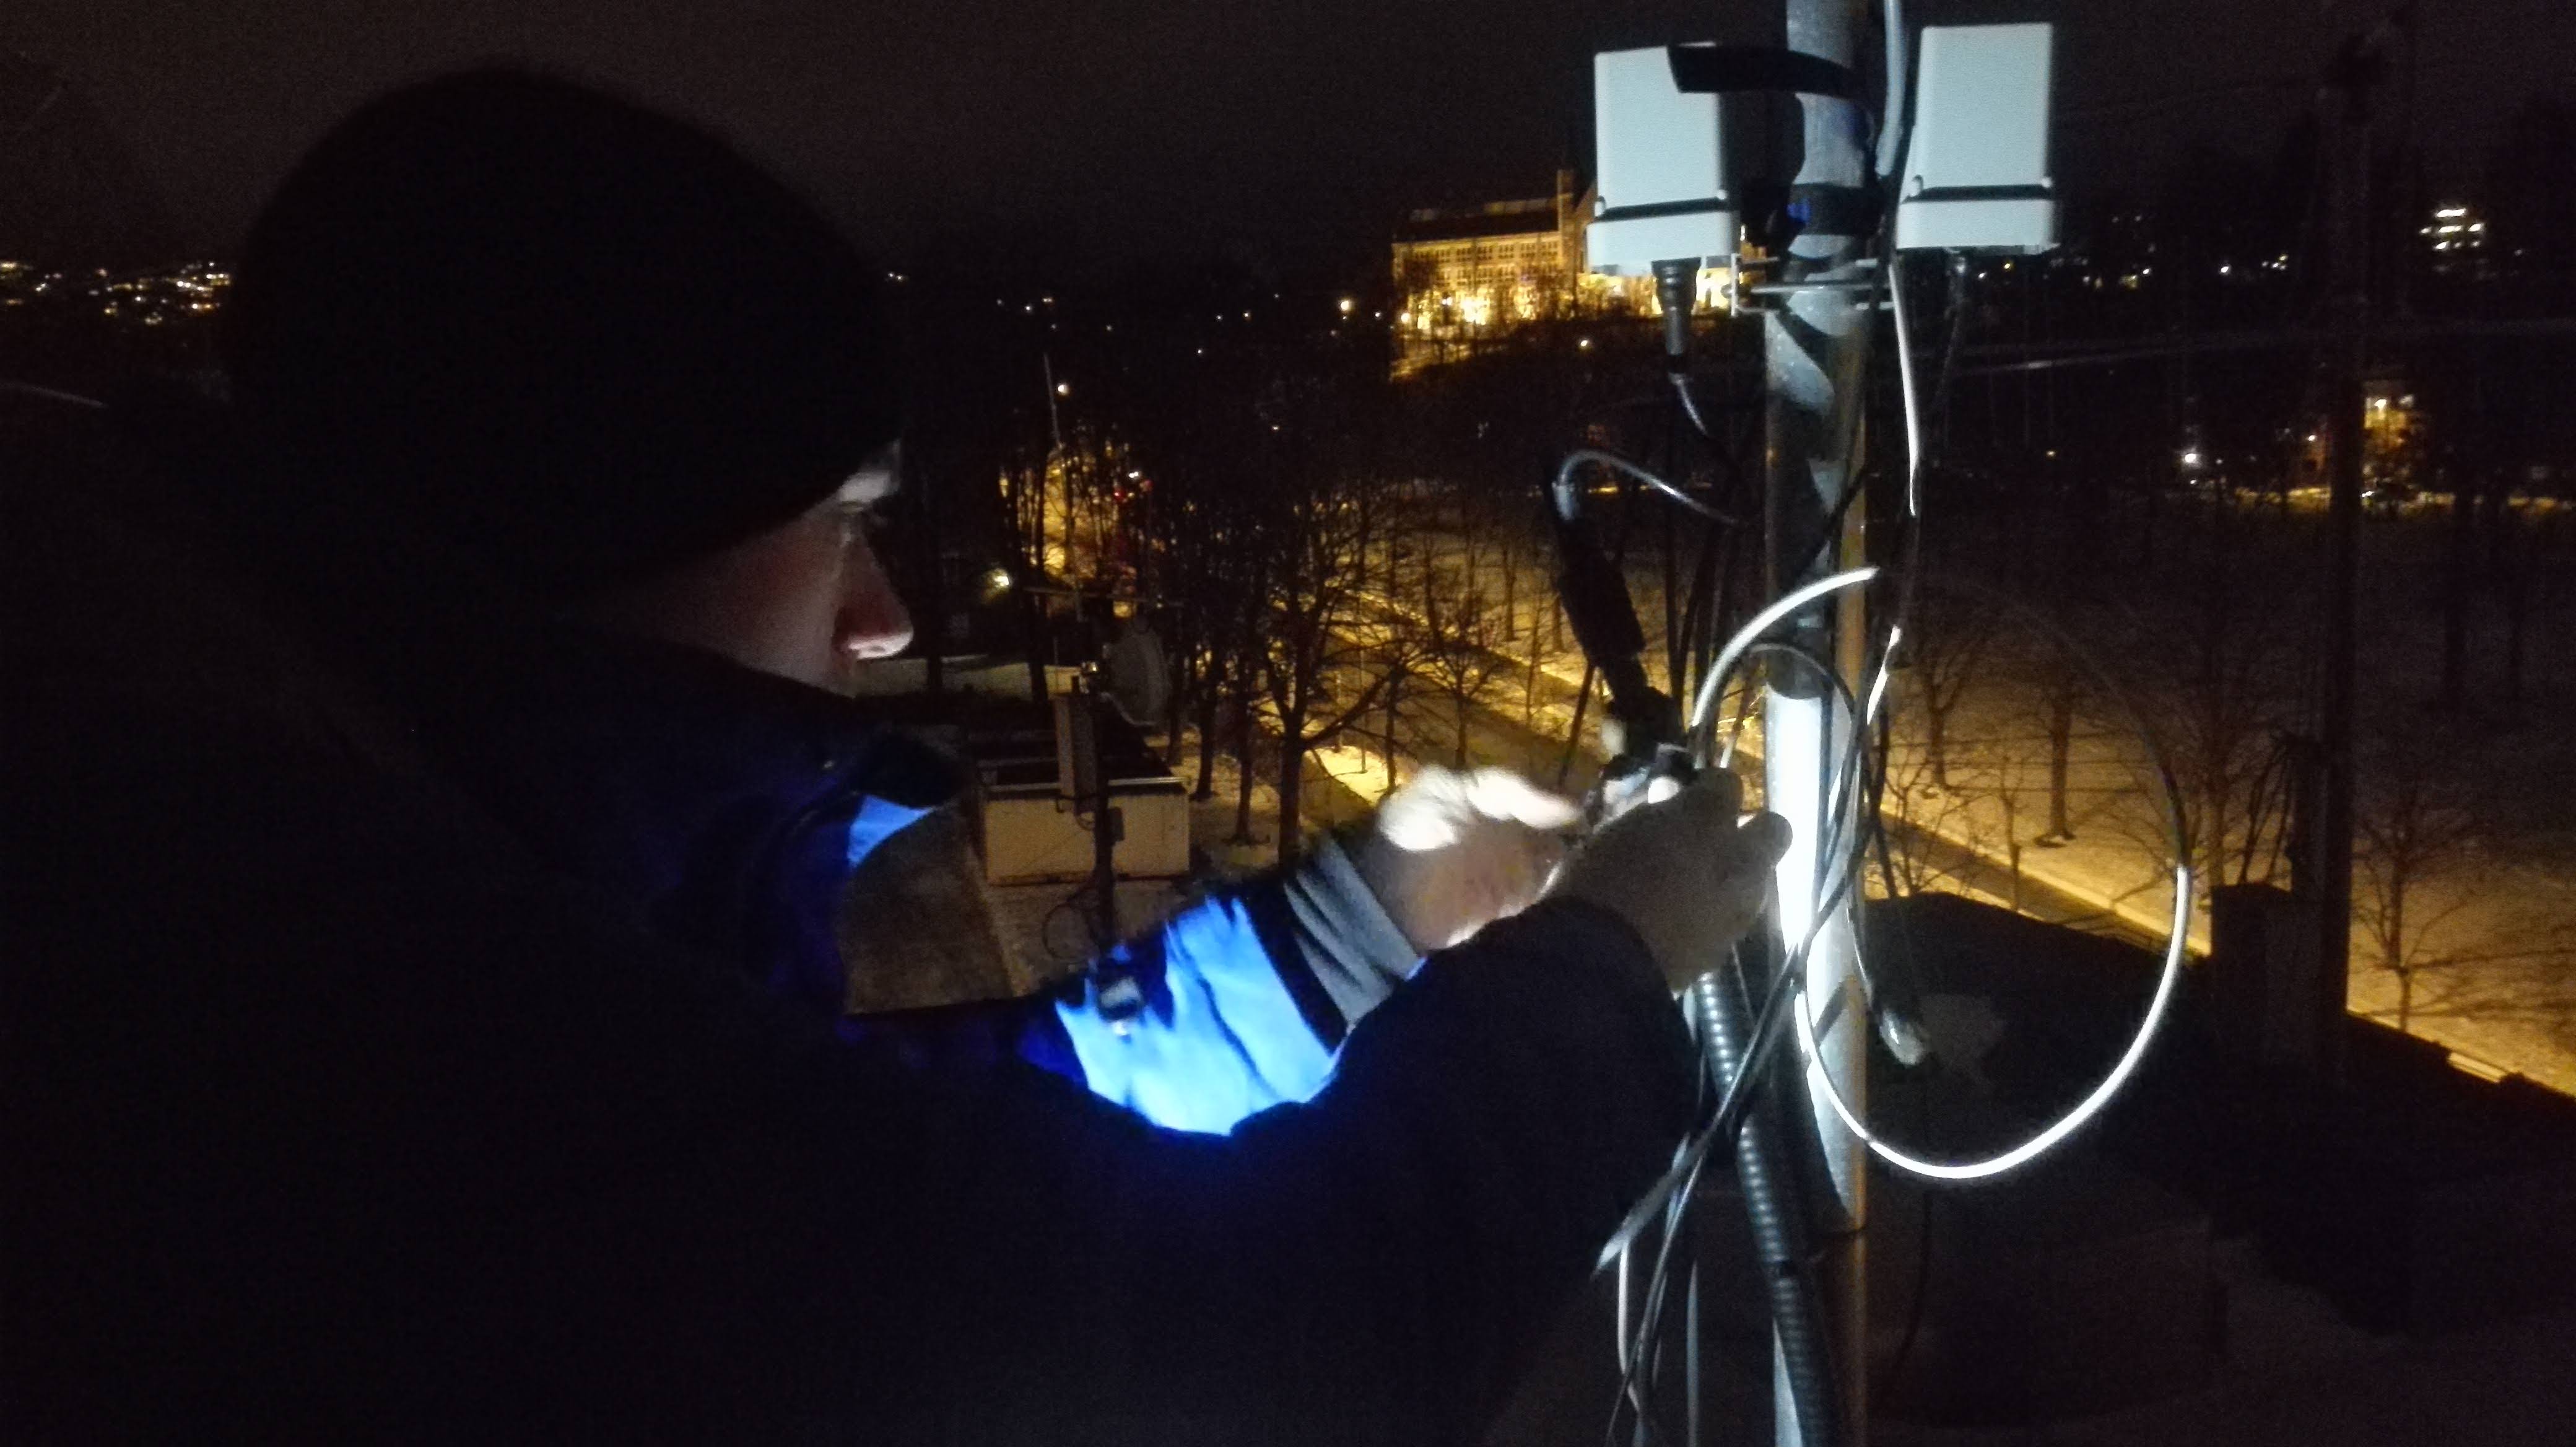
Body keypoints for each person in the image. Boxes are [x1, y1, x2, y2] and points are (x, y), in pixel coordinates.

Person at [1, 71, 1790, 1444]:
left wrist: (1356, 920)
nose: (880, 617)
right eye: (842, 520)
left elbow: (893, 1163)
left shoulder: (298, 825)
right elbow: (1238, 1333)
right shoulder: (282, 990)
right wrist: (1606, 968)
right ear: (603, 524)